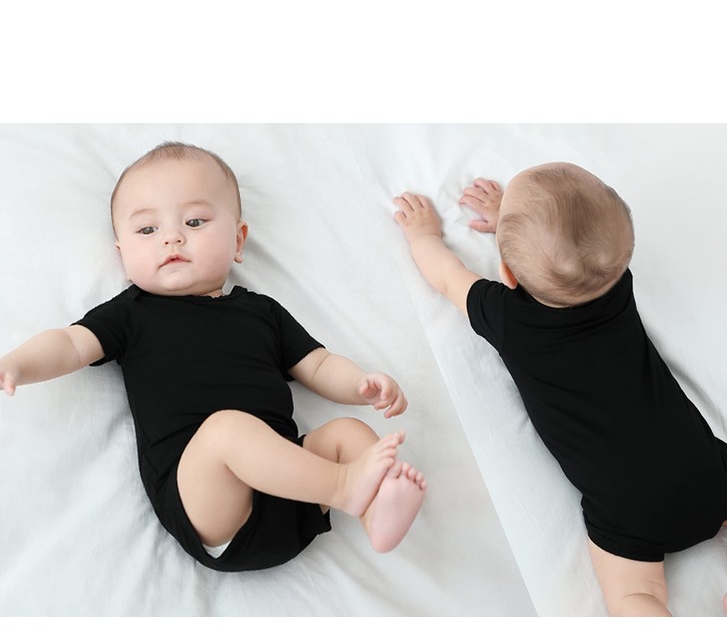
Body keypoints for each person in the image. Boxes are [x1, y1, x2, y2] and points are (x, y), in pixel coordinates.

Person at [0, 141, 426, 573]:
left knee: (349, 432)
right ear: (123, 257)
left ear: (238, 241)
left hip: (293, 491)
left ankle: (377, 513)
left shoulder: (262, 312)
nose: (172, 237)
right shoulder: (130, 315)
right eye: (147, 230)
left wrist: (359, 385)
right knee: (225, 430)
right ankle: (346, 486)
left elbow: (317, 364)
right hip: (211, 505)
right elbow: (70, 344)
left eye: (194, 221)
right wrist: (16, 363)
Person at [394, 162, 727, 616]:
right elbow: (575, 249)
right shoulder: (616, 283)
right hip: (702, 473)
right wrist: (516, 221)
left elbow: (447, 276)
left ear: (507, 273)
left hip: (627, 514)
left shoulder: (506, 318)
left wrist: (423, 236)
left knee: (634, 598)